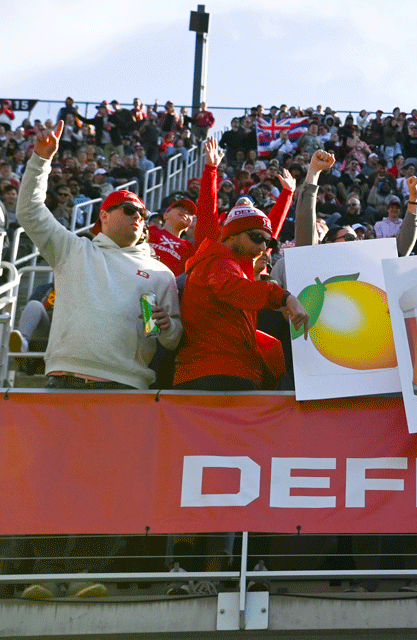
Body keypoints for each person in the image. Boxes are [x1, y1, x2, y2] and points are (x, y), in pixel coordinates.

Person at [16, 121, 183, 599]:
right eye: (130, 209)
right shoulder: (74, 250)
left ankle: (87, 574)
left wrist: (166, 327)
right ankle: (44, 576)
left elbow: (170, 340)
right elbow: (29, 211)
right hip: (65, 384)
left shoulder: (160, 273)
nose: (140, 217)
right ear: (103, 217)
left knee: (109, 486)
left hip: (124, 391)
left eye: (144, 213)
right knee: (50, 482)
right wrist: (41, 159)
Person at [173, 202, 309, 391]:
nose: (263, 247)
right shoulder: (217, 261)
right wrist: (285, 297)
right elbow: (234, 288)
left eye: (268, 242)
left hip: (223, 372)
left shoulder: (231, 266)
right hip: (215, 373)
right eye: (256, 238)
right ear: (231, 234)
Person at [147, 198, 196, 275]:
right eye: (180, 208)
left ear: (188, 226)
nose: (185, 212)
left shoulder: (189, 247)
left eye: (189, 213)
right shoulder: (150, 231)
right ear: (166, 215)